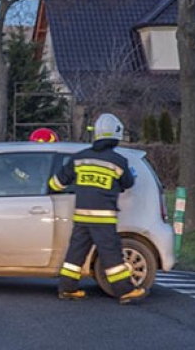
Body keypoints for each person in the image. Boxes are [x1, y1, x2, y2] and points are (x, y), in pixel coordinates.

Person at [49, 113, 146, 305]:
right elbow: (128, 183)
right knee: (111, 254)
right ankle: (125, 291)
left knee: (75, 253)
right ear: (116, 136)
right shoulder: (118, 161)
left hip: (81, 216)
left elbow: (55, 183)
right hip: (103, 218)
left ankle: (67, 288)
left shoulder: (79, 158)